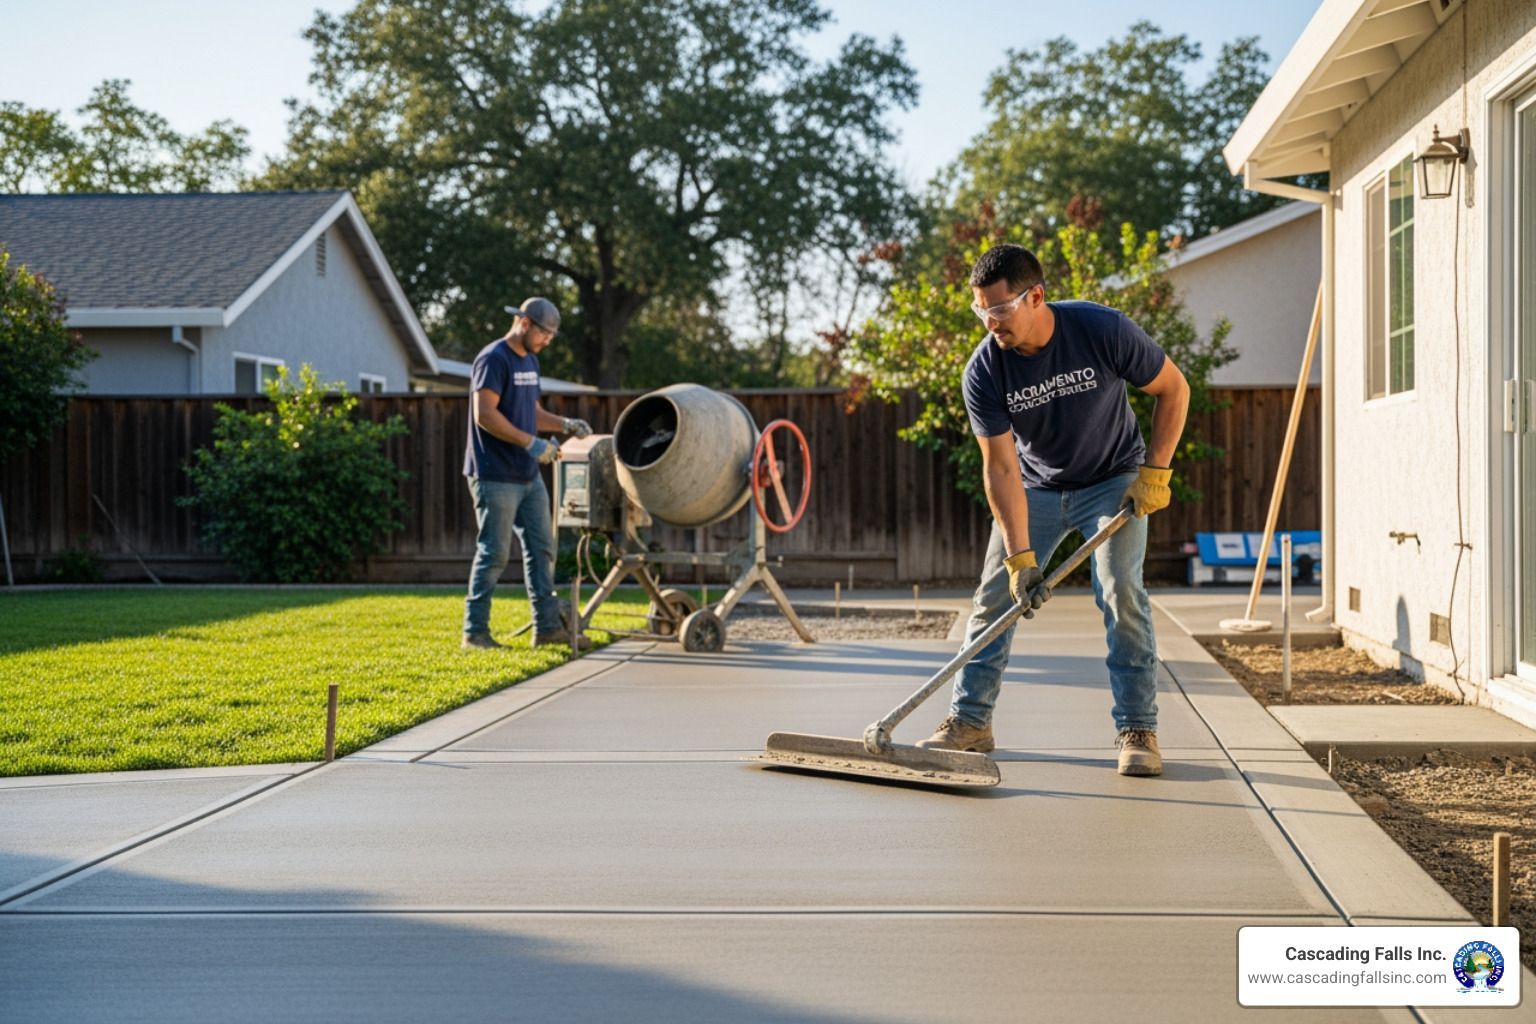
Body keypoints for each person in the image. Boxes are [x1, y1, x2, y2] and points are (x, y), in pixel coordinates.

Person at [917, 244, 1190, 776]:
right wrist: (1020, 559)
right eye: (981, 312)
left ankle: (1138, 728)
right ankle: (970, 720)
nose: (990, 323)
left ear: (1035, 296)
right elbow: (999, 468)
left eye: (998, 311)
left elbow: (1174, 389)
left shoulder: (1101, 330)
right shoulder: (985, 370)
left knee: (1120, 591)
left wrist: (1156, 471)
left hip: (1112, 479)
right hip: (1036, 486)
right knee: (994, 596)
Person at [462, 298, 593, 650]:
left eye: (552, 335)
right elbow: (484, 415)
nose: (548, 340)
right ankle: (475, 633)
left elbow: (530, 411)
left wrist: (564, 424)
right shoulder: (493, 359)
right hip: (494, 473)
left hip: (527, 476)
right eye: (545, 333)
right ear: (524, 323)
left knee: (542, 548)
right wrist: (531, 445)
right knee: (494, 553)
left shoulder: (530, 362)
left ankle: (547, 628)